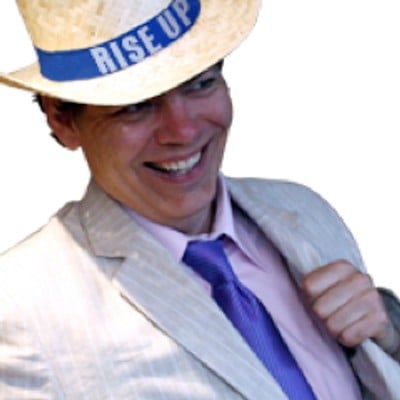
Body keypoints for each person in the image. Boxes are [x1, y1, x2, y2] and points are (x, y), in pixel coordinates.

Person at [0, 0, 399, 399]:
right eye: (136, 106)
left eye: (200, 83)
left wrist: (391, 336)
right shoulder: (22, 308)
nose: (183, 131)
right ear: (62, 119)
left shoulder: (306, 211)